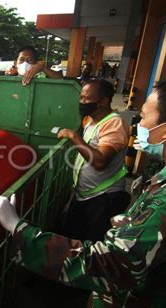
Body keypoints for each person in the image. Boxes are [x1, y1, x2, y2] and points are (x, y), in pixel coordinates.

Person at [0, 76, 166, 308]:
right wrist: (131, 223)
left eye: (143, 116)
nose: (138, 124)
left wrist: (19, 228)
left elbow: (109, 264)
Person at [57, 79, 130, 242]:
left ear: (103, 101)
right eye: (81, 98)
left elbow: (100, 162)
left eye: (86, 99)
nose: (82, 102)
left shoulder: (115, 123)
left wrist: (73, 136)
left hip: (103, 198)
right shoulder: (90, 120)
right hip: (84, 195)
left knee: (94, 243)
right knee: (72, 237)